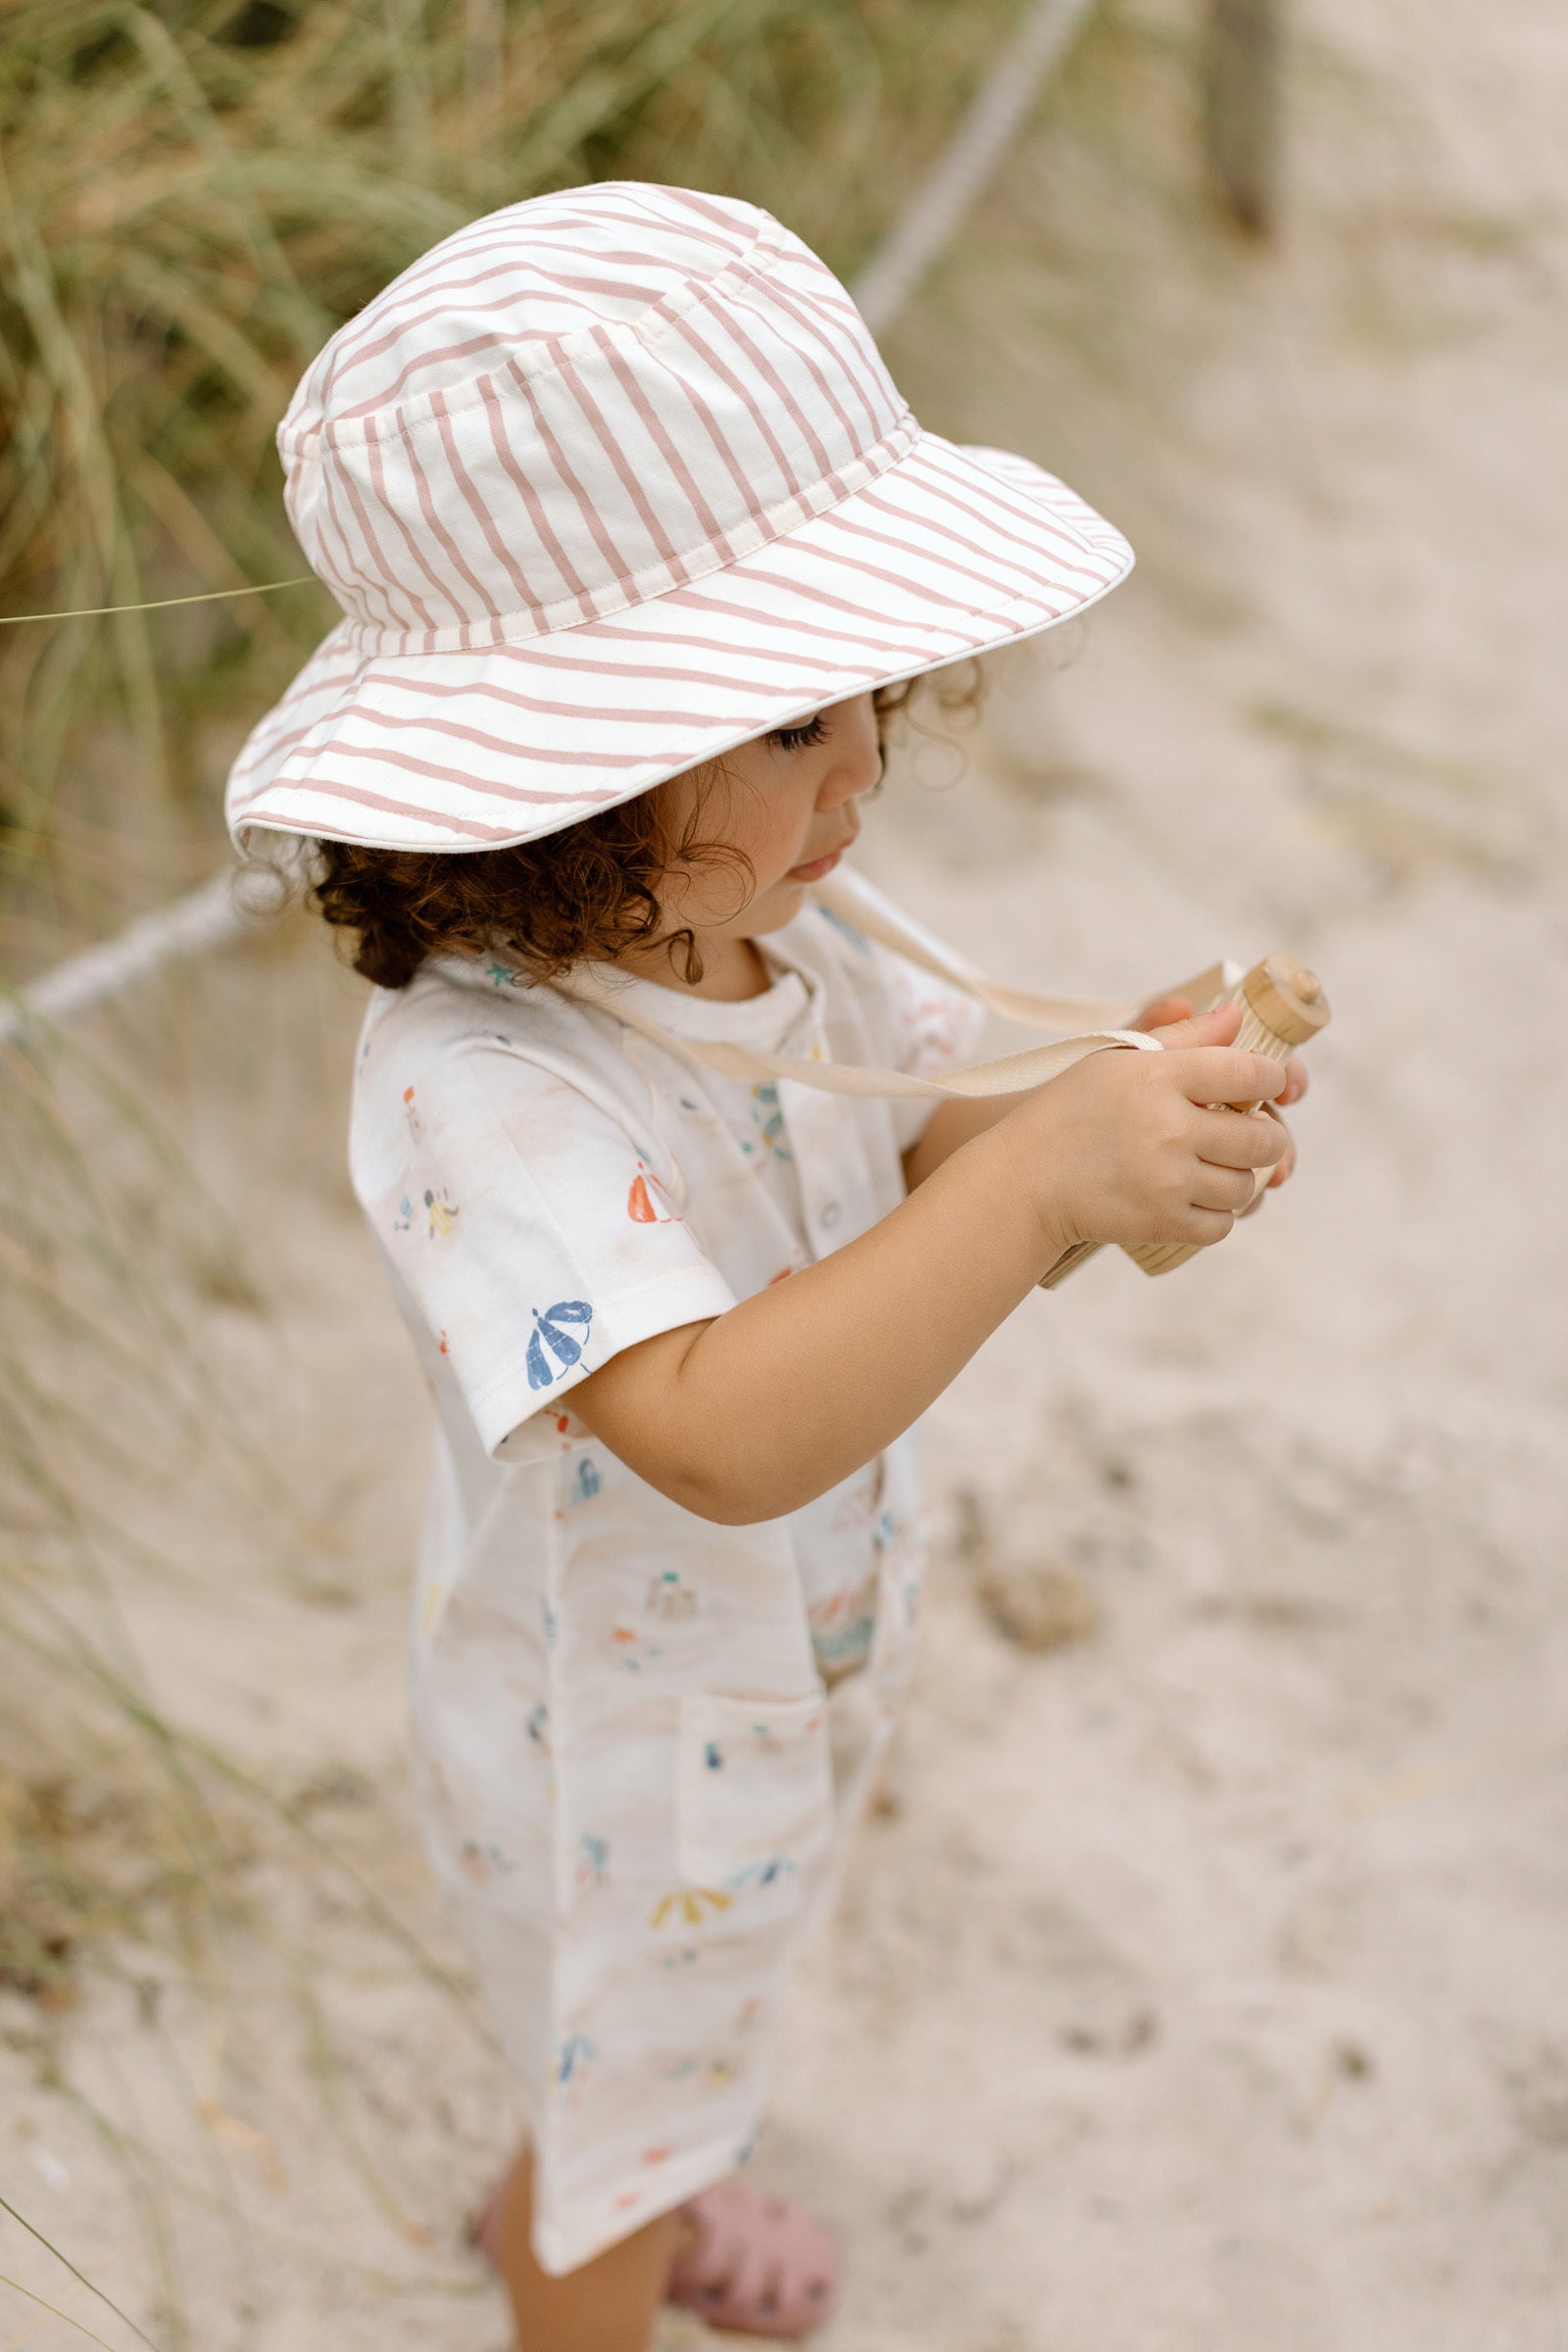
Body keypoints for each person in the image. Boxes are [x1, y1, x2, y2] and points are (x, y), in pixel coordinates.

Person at [227, 181, 1303, 2350]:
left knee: (665, 2043)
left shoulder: (758, 936)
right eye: (791, 727)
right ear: (560, 787)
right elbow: (708, 1432)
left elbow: (908, 1126)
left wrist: (1113, 1089)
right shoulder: (486, 1080)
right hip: (602, 1736)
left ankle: (627, 2170)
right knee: (616, 2101)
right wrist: (1025, 1203)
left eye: (865, 710)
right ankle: (586, 2262)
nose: (858, 781)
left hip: (758, 1690)